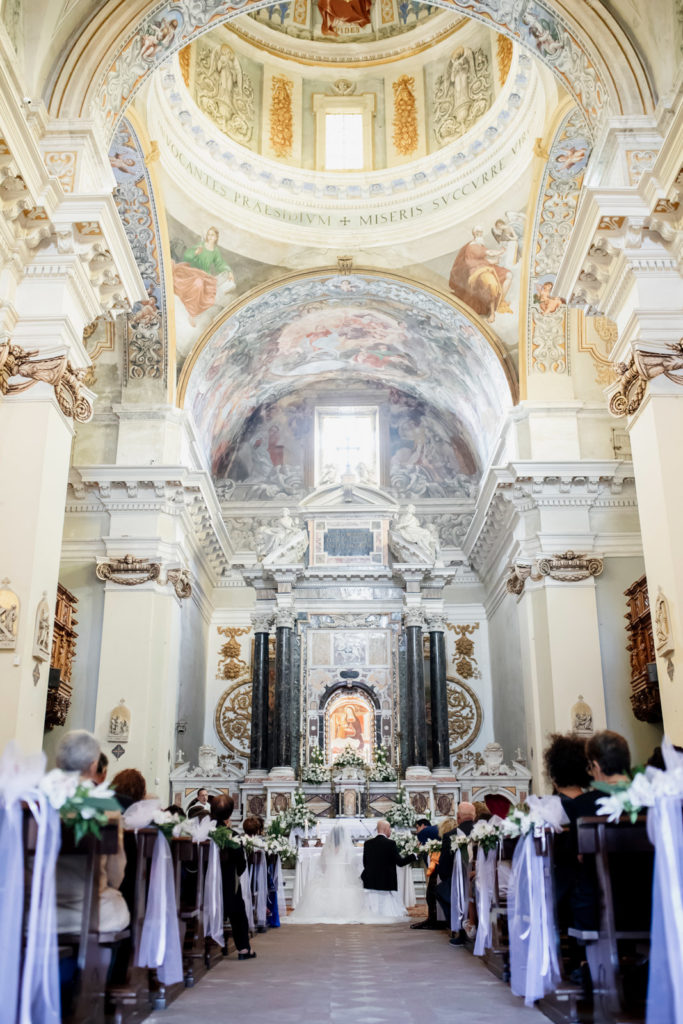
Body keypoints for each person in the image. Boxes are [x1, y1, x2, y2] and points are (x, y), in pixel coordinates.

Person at [55, 731, 130, 935]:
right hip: (88, 909)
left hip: (35, 908)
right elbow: (116, 872)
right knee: (118, 906)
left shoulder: (36, 798)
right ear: (93, 765)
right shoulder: (104, 804)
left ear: (58, 761)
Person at [210, 794, 255, 959]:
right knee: (238, 910)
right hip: (227, 887)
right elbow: (242, 865)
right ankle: (244, 949)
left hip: (201, 888)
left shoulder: (202, 832)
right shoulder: (232, 835)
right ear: (229, 814)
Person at [172, 226, 233, 324]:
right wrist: (195, 253)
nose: (210, 237)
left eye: (212, 235)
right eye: (208, 234)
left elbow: (220, 263)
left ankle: (193, 314)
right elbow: (188, 255)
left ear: (216, 237)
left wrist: (229, 271)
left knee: (203, 286)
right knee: (197, 283)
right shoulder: (201, 245)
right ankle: (192, 313)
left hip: (204, 274)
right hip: (192, 271)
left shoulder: (215, 251)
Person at [361, 821, 413, 920]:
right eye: (390, 829)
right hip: (386, 882)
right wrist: (413, 856)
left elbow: (365, 863)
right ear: (385, 829)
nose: (390, 831)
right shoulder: (391, 843)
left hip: (370, 881)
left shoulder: (367, 843)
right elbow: (400, 863)